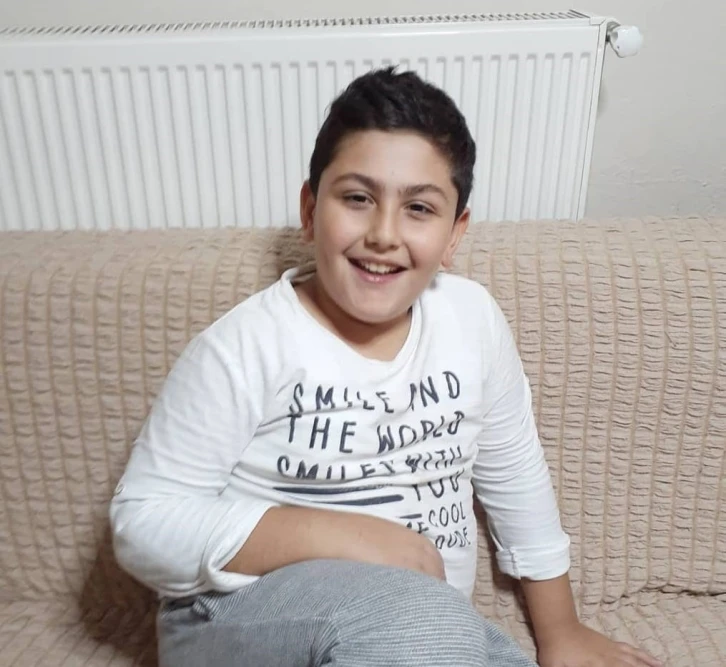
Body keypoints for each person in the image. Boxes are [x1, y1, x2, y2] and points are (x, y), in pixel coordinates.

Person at [110, 67, 662, 667]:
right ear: (309, 210)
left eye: (419, 208)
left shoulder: (471, 319)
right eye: (357, 199)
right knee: (423, 624)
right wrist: (347, 537)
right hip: (239, 613)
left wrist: (561, 631)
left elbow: (515, 474)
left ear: (454, 235)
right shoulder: (245, 345)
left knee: (445, 635)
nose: (383, 234)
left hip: (430, 632)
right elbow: (144, 524)